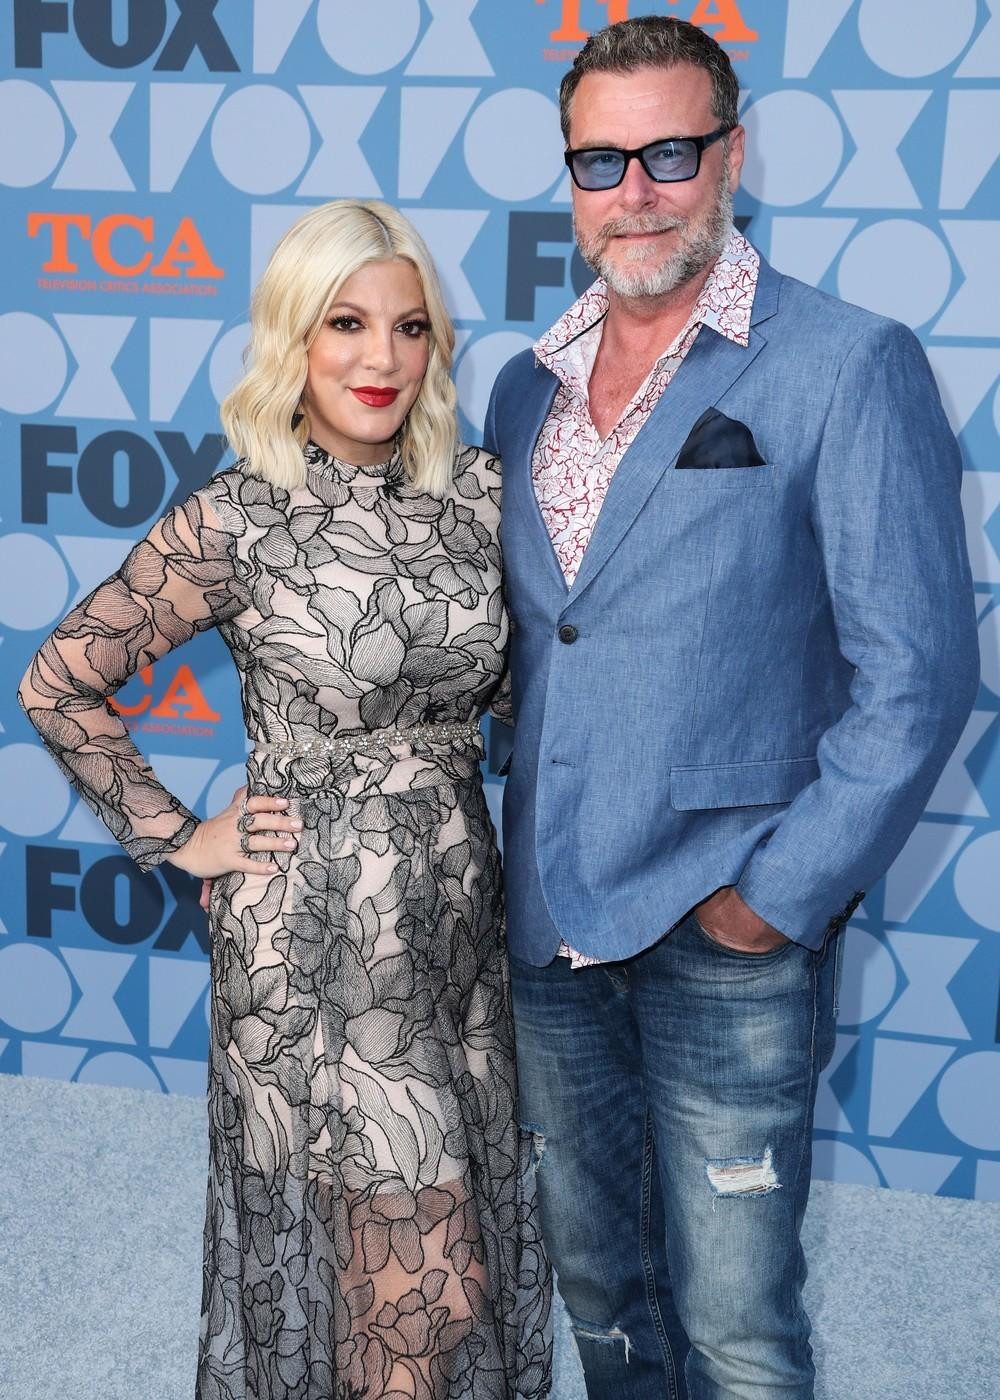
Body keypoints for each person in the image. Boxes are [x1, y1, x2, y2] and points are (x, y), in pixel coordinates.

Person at [483, 16, 978, 1400]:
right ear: (569, 178)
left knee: (739, 1325)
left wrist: (774, 896)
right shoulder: (523, 389)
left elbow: (918, 673)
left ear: (733, 155)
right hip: (547, 920)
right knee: (604, 1297)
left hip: (726, 925)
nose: (635, 190)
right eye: (600, 161)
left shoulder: (846, 360)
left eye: (670, 152)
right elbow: (531, 644)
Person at [19, 199, 551, 1400]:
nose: (381, 357)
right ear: (292, 337)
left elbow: (530, 696)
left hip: (454, 929)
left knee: (422, 1264)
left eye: (408, 327)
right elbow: (59, 681)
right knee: (413, 1274)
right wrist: (178, 833)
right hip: (313, 939)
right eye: (345, 323)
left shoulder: (481, 495)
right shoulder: (238, 514)